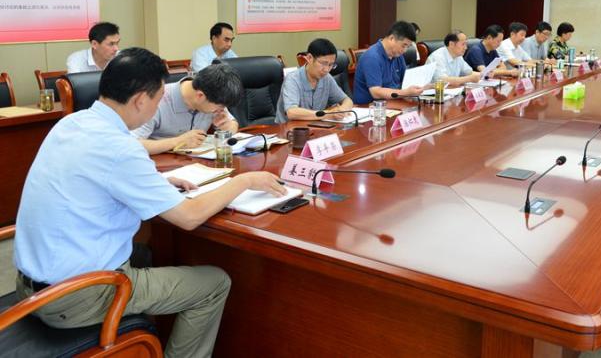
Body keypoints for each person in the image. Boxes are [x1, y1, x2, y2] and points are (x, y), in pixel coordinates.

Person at [14, 47, 287, 357]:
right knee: (214, 284)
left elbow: (95, 179)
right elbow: (188, 217)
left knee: (147, 252)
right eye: (158, 99)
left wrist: (159, 182)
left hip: (31, 284)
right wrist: (244, 181)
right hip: (75, 296)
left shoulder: (72, 123)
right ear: (140, 100)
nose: (159, 106)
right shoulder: (121, 148)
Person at [132, 63, 241, 155]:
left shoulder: (213, 96)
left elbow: (232, 123)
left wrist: (228, 128)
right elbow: (131, 144)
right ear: (200, 96)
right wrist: (177, 142)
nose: (221, 109)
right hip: (159, 165)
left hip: (197, 162)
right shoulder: (155, 100)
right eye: (220, 106)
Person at [275, 38, 354, 123]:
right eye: (323, 63)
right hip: (289, 128)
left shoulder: (326, 78)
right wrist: (328, 114)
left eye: (331, 65)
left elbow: (347, 100)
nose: (326, 69)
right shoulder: (292, 79)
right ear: (309, 58)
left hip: (315, 127)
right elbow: (292, 112)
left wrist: (342, 110)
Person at [353, 21, 424, 104]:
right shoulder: (372, 57)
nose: (405, 50)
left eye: (408, 47)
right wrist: (406, 93)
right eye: (403, 45)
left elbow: (406, 81)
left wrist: (423, 87)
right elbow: (376, 92)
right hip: (369, 107)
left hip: (393, 102)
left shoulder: (398, 55)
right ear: (392, 38)